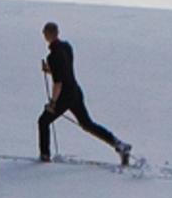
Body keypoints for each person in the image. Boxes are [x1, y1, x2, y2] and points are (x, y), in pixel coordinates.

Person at [37, 19, 130, 166]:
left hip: (65, 95)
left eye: (44, 32)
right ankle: (119, 145)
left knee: (43, 121)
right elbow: (64, 71)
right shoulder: (67, 47)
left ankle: (45, 155)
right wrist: (50, 70)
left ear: (47, 34)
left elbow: (58, 83)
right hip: (75, 91)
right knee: (87, 124)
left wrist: (53, 103)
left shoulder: (52, 56)